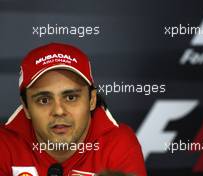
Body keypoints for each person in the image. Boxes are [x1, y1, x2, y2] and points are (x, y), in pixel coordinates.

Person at [0, 43, 147, 176]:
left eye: (71, 97)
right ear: (26, 108)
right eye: (44, 100)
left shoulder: (118, 144)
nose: (58, 111)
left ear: (92, 100)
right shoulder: (4, 144)